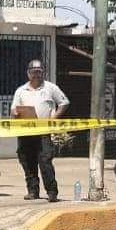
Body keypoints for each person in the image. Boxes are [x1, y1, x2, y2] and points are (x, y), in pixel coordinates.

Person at [10, 58, 69, 201]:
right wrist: (15, 113)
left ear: (43, 73)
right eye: (33, 72)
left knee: (45, 161)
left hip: (44, 132)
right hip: (26, 132)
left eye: (39, 72)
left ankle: (52, 192)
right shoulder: (21, 91)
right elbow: (13, 109)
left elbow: (64, 102)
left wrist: (54, 117)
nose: (36, 75)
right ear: (28, 73)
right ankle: (32, 191)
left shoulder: (50, 88)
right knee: (27, 162)